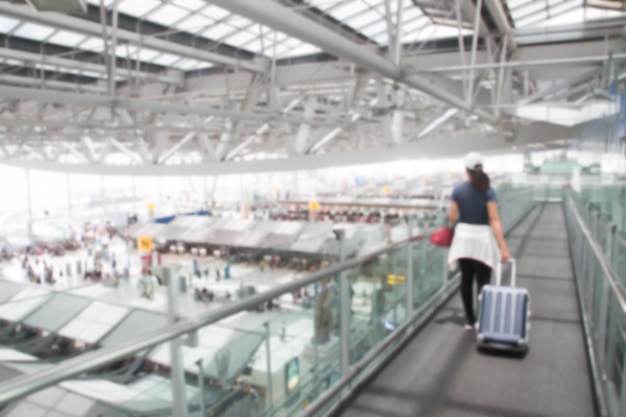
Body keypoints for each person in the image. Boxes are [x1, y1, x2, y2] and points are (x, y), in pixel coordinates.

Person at [447, 152, 510, 330]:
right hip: (482, 239)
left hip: (463, 239)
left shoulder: (458, 190)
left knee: (466, 278)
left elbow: (452, 218)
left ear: (466, 170)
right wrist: (503, 247)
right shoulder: (488, 191)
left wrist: (453, 217)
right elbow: (494, 219)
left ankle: (469, 319)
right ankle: (483, 317)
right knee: (483, 280)